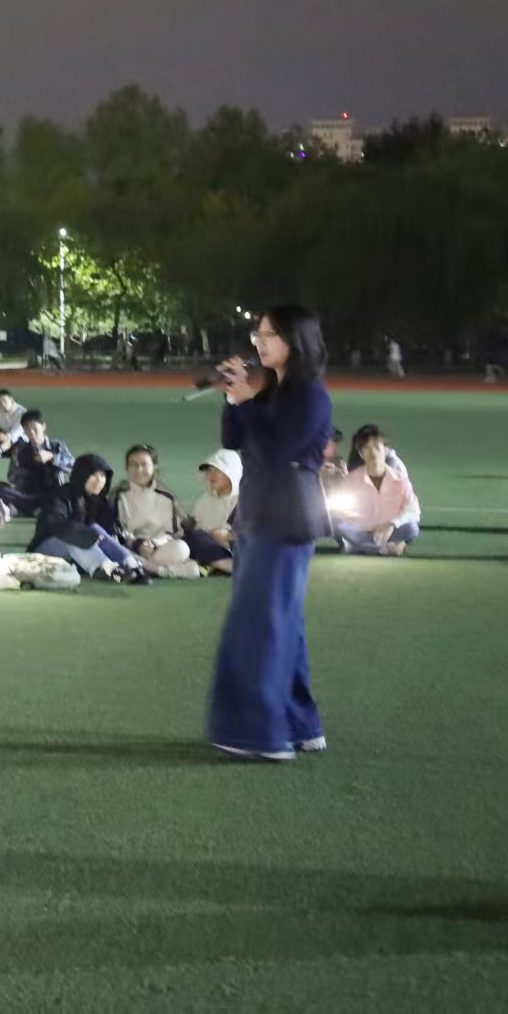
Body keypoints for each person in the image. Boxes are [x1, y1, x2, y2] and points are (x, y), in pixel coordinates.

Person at [207, 303, 333, 763]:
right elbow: (234, 439)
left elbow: (276, 450)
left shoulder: (312, 396)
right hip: (257, 515)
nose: (259, 342)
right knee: (283, 624)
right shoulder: (275, 391)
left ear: (296, 341)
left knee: (261, 625)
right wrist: (234, 396)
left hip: (285, 517)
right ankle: (300, 725)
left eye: (270, 335)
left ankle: (261, 735)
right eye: (257, 334)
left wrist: (246, 401)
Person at [26, 454, 146, 584]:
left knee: (95, 529)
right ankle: (109, 569)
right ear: (82, 475)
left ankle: (131, 564)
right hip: (46, 548)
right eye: (94, 475)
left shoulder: (99, 502)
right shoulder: (62, 495)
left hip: (80, 554)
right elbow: (53, 523)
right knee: (75, 537)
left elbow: (109, 532)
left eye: (103, 475)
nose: (99, 480)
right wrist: (85, 533)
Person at [114, 445, 203, 579]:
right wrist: (138, 544)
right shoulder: (119, 495)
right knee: (116, 551)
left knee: (181, 548)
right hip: (132, 548)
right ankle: (164, 570)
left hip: (158, 549)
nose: (139, 470)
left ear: (155, 468)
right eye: (133, 465)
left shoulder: (165, 496)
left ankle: (143, 567)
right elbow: (118, 530)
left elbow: (172, 532)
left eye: (144, 464)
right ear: (127, 469)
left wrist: (154, 544)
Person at [333, 426, 422, 555]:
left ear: (385, 451)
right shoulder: (352, 479)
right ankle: (386, 548)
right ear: (361, 454)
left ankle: (358, 547)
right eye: (367, 448)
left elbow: (413, 510)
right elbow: (342, 511)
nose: (373, 453)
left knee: (412, 528)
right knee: (338, 524)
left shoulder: (399, 478)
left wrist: (392, 524)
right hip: (362, 529)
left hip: (389, 530)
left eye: (377, 448)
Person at [0, 411, 72, 518]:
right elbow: (12, 478)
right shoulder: (22, 450)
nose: (32, 433)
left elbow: (72, 465)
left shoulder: (57, 446)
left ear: (43, 427)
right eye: (27, 430)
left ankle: (26, 510)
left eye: (35, 429)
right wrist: (18, 465)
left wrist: (52, 457)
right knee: (2, 491)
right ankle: (35, 509)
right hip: (30, 494)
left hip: (53, 493)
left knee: (64, 495)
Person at [184, 449, 241, 574]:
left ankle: (217, 564)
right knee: (189, 534)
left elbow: (260, 532)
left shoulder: (247, 500)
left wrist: (229, 535)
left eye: (217, 471)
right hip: (213, 549)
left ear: (231, 472)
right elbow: (198, 532)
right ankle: (223, 565)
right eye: (209, 471)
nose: (211, 475)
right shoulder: (204, 500)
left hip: (239, 550)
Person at [0, 389, 27, 460]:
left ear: (11, 399)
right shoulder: (0, 411)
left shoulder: (21, 412)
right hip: (4, 438)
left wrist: (6, 436)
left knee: (17, 440)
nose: (3, 404)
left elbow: (18, 430)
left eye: (4, 401)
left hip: (20, 439)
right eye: (0, 403)